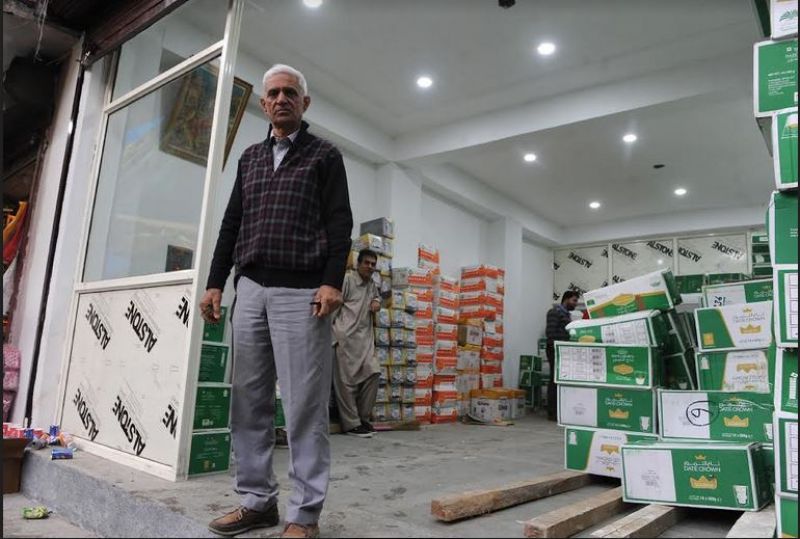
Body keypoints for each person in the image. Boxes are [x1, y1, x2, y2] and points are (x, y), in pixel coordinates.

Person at [201, 64, 353, 539]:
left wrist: (331, 281)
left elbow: (339, 223)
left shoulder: (324, 155)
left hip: (303, 293)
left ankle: (304, 515)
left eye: (291, 92)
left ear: (304, 103)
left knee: (305, 405)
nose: (282, 98)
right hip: (250, 290)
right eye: (273, 93)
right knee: (248, 402)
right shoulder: (248, 158)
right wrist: (214, 282)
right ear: (263, 105)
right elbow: (231, 225)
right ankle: (256, 501)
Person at [331, 249, 382, 438]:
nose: (370, 267)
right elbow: (334, 306)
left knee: (373, 372)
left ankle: (363, 418)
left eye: (373, 264)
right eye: (366, 263)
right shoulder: (347, 280)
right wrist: (333, 337)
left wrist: (377, 302)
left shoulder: (372, 285)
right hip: (346, 339)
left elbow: (377, 298)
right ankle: (351, 424)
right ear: (358, 264)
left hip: (365, 340)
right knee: (346, 383)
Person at [545, 291, 580, 421]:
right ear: (566, 299)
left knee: (560, 380)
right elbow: (550, 334)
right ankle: (552, 413)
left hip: (563, 350)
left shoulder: (566, 314)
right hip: (554, 350)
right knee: (554, 380)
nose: (575, 304)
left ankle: (560, 410)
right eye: (574, 300)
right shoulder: (554, 312)